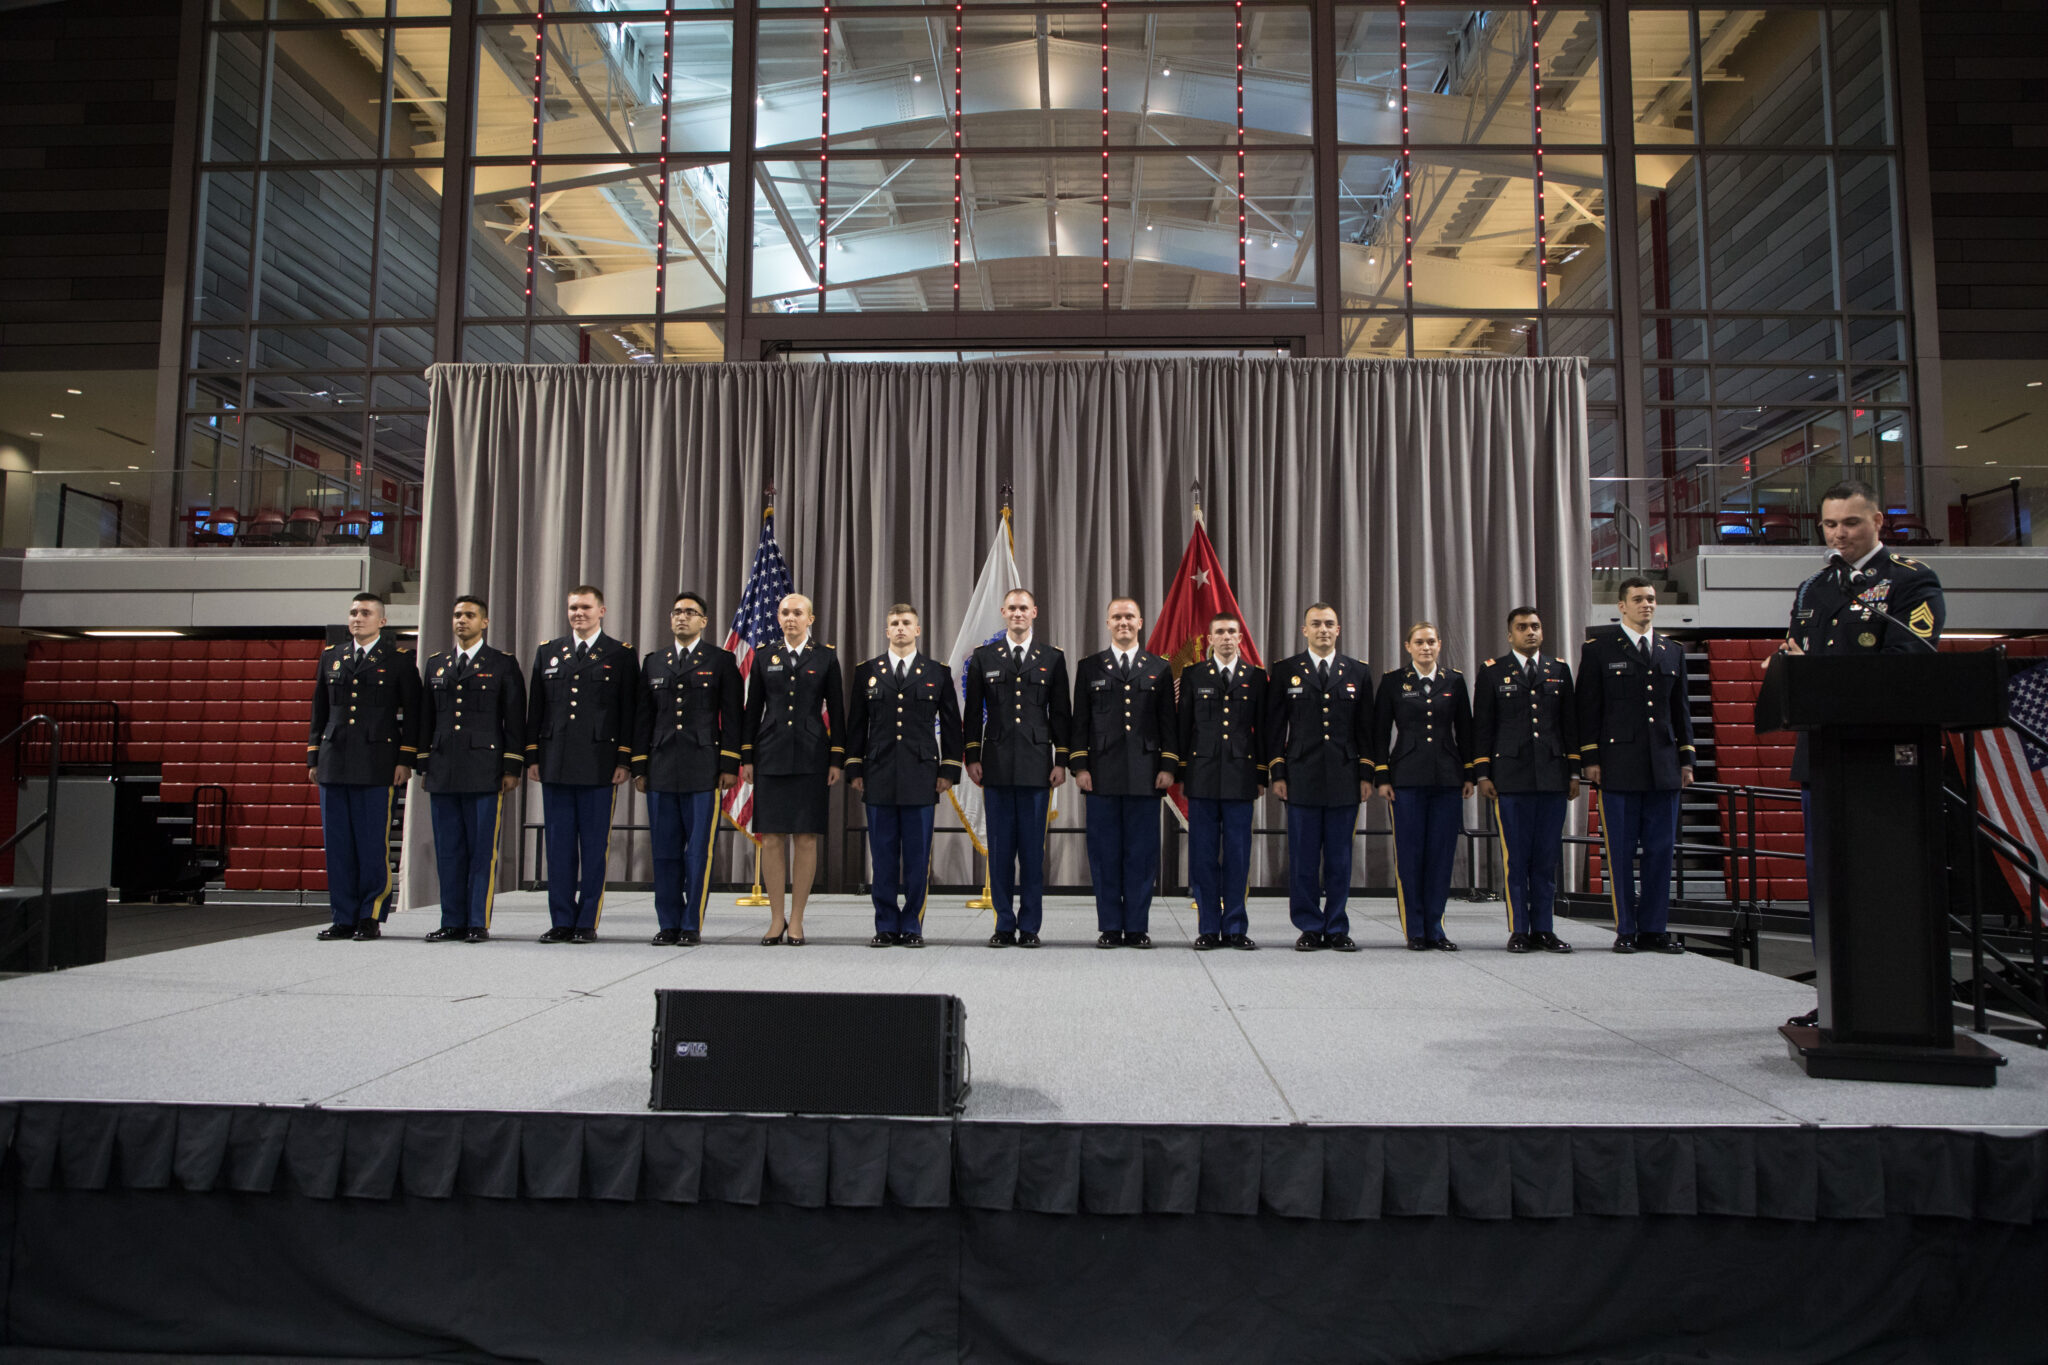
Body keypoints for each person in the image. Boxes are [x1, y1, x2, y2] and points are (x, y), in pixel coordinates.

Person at [1777, 479, 1945, 1024]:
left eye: (1850, 522)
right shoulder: (1813, 589)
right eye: (1830, 524)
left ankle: (1892, 1001)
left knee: (1882, 883)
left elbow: (1907, 659)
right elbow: (1798, 652)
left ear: (1878, 521)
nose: (1839, 533)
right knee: (1827, 882)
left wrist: (1816, 670)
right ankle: (1837, 998)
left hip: (1881, 759)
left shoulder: (1910, 581)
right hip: (1823, 754)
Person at [1578, 577, 1694, 954]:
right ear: (1621, 606)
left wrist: (1686, 758)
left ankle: (1654, 928)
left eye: (1651, 599)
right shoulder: (1599, 650)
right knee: (1622, 852)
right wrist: (1590, 758)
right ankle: (1626, 928)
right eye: (1638, 599)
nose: (1647, 605)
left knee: (1661, 851)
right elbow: (1589, 709)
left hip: (1663, 765)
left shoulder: (1671, 650)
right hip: (1618, 764)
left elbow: (1681, 711)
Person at [845, 603, 963, 947]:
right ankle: (884, 924)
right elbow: (856, 726)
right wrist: (855, 767)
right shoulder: (867, 670)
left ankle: (912, 924)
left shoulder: (936, 671)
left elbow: (952, 726)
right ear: (886, 631)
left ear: (917, 630)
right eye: (894, 623)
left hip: (922, 774)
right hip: (878, 772)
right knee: (882, 857)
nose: (899, 628)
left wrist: (949, 770)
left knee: (916, 856)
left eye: (906, 622)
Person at [525, 585, 637, 944]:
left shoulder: (619, 654)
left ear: (601, 611)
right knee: (557, 846)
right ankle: (561, 919)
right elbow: (536, 710)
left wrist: (624, 758)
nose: (579, 613)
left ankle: (587, 919)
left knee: (593, 846)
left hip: (598, 764)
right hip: (555, 761)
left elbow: (627, 713)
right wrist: (532, 756)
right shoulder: (549, 652)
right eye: (573, 607)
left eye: (586, 607)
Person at [307, 591, 420, 941]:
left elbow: (414, 715)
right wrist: (314, 756)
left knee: (372, 843)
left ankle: (370, 914)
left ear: (382, 621)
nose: (358, 618)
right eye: (354, 612)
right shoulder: (332, 657)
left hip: (376, 763)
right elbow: (319, 710)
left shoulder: (399, 660)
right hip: (334, 760)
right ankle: (343, 916)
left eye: (366, 613)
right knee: (338, 845)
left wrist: (405, 759)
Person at [963, 588, 1073, 948]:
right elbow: (972, 714)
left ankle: (1030, 927)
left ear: (1035, 612)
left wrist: (1061, 761)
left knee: (1031, 851)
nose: (1017, 613)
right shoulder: (984, 657)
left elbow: (1060, 714)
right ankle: (1003, 925)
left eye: (1024, 608)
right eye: (1012, 608)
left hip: (1037, 767)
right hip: (994, 764)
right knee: (1000, 849)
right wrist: (973, 756)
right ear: (1003, 612)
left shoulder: (1051, 658)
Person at [632, 591, 742, 947]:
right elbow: (642, 718)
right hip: (661, 764)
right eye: (677, 612)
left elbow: (733, 718)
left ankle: (691, 923)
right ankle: (667, 922)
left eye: (690, 613)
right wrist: (639, 766)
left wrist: (729, 763)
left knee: (698, 851)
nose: (682, 617)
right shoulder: (654, 662)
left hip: (702, 766)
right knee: (663, 849)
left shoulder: (720, 661)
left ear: (704, 621)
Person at [1265, 602, 1375, 952]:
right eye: (1316, 624)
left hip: (1344, 776)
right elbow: (1274, 728)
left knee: (1340, 859)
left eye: (1329, 624)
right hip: (1301, 776)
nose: (1323, 629)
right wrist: (1277, 771)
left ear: (1338, 630)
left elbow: (1366, 731)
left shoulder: (1357, 671)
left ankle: (1337, 926)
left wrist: (1366, 773)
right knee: (1304, 858)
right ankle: (1310, 925)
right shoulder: (1286, 671)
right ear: (1304, 630)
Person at [416, 595, 525, 944]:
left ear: (485, 623)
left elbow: (514, 721)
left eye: (470, 615)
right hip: (444, 767)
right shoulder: (437, 664)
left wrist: (512, 766)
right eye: (457, 614)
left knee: (481, 850)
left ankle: (476, 920)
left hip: (484, 768)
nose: (462, 620)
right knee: (448, 850)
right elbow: (426, 718)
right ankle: (451, 919)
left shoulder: (502, 664)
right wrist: (423, 761)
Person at [1071, 597, 1178, 948]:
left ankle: (1136, 926)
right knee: (1104, 854)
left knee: (1142, 854)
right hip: (1101, 774)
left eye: (1129, 616)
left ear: (1141, 621)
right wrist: (1080, 766)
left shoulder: (1158, 668)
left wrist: (1167, 766)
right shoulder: (1090, 667)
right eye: (1117, 617)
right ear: (1107, 623)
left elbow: (1168, 724)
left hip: (1146, 774)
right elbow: (1081, 722)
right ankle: (1109, 927)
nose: (1123, 622)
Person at [739, 593, 845, 945]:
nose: (790, 618)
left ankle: (797, 919)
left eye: (797, 613)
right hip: (771, 755)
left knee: (805, 838)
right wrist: (747, 757)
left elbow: (839, 714)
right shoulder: (764, 655)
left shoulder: (826, 657)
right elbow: (752, 709)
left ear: (810, 619)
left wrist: (836, 759)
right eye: (784, 612)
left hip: (813, 756)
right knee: (770, 838)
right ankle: (775, 919)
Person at [1473, 607, 1580, 954]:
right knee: (1516, 858)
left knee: (1546, 858)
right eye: (1522, 627)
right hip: (1511, 777)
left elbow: (1569, 726)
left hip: (1551, 776)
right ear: (1510, 635)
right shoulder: (1493, 672)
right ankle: (1519, 928)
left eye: (1535, 626)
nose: (1530, 632)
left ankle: (1545, 929)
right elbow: (1484, 727)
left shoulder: (1559, 670)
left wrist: (1574, 771)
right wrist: (1484, 772)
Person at [1374, 622, 1475, 950]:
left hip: (1447, 777)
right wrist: (1383, 776)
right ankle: (1415, 929)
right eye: (1419, 642)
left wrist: (1469, 773)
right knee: (1411, 855)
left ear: (1440, 644)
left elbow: (1466, 730)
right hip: (1406, 778)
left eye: (1431, 641)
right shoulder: (1393, 682)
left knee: (1441, 856)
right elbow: (1379, 734)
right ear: (1408, 646)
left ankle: (1436, 927)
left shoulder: (1454, 681)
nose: (1426, 647)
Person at [1177, 612, 1266, 950]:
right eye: (1220, 632)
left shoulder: (1255, 677)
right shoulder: (1193, 674)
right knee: (1202, 855)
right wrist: (1183, 773)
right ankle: (1209, 926)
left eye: (1232, 632)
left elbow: (1263, 733)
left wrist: (1261, 775)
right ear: (1209, 638)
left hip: (1241, 778)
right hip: (1202, 776)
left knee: (1238, 856)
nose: (1226, 637)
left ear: (1240, 638)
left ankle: (1235, 927)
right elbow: (1184, 727)